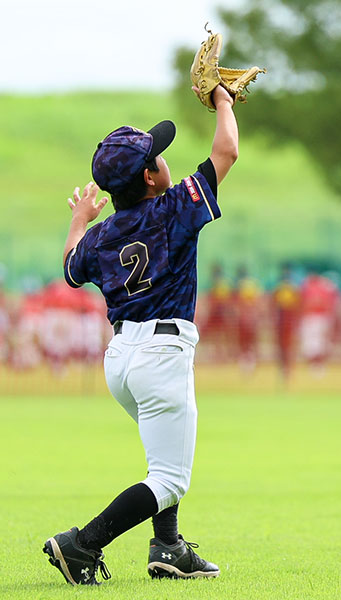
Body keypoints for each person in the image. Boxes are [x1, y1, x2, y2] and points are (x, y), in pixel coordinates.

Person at [42, 84, 239, 585]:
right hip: (162, 353)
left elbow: (70, 267)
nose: (164, 159)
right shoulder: (174, 209)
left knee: (162, 458)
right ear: (150, 176)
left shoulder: (101, 236)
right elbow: (226, 152)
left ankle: (168, 547)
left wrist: (79, 220)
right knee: (170, 478)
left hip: (121, 360)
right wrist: (223, 102)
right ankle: (82, 545)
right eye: (157, 156)